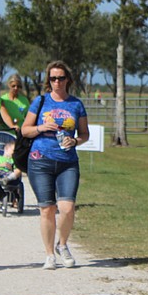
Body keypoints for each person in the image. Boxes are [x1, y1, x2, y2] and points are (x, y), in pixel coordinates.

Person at [20, 61, 89, 270]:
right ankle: (49, 254)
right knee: (47, 209)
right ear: (48, 81)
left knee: (67, 208)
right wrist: (41, 127)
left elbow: (85, 134)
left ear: (68, 79)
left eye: (60, 78)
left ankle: (63, 244)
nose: (57, 82)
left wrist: (75, 141)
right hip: (40, 160)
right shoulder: (40, 102)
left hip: (67, 161)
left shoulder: (76, 104)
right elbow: (25, 130)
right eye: (52, 78)